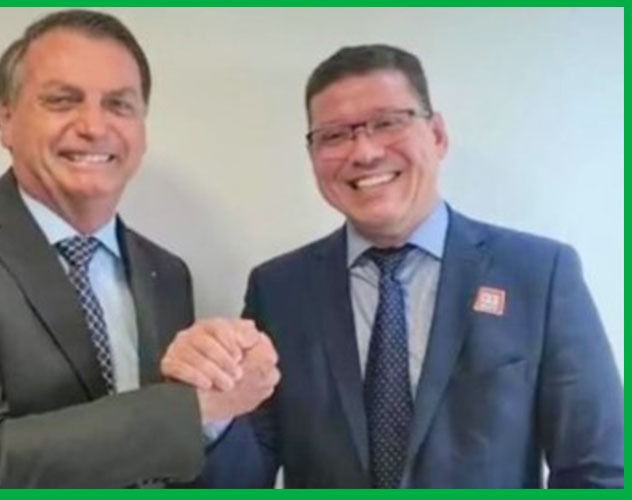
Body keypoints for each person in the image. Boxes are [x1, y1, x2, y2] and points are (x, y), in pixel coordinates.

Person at [163, 44, 624, 488]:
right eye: (334, 135)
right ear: (312, 156)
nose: (364, 153)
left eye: (387, 123)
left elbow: (600, 472)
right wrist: (211, 410)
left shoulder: (539, 275)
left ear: (437, 135)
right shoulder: (279, 290)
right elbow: (244, 478)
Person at [0, 9, 278, 488]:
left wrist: (221, 406)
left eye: (119, 105)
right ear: (5, 119)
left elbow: (197, 474)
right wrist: (192, 407)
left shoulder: (166, 273)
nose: (94, 126)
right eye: (62, 101)